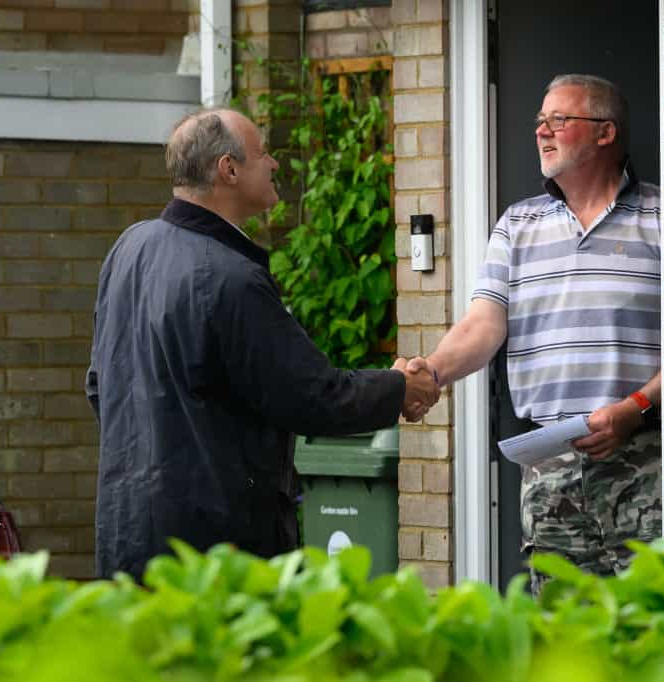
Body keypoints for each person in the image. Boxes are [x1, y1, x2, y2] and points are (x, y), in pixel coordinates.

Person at [85, 108, 439, 579]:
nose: (274, 164)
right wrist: (399, 387)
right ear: (228, 170)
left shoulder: (129, 249)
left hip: (124, 537)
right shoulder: (229, 279)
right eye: (263, 153)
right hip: (212, 556)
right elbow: (311, 396)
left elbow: (99, 385)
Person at [411, 74, 662, 592]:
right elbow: (484, 324)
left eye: (559, 120)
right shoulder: (517, 225)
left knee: (652, 633)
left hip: (645, 463)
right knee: (562, 641)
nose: (542, 132)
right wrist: (430, 372)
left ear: (605, 133)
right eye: (539, 122)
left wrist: (635, 407)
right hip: (551, 470)